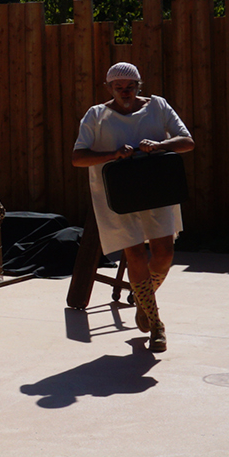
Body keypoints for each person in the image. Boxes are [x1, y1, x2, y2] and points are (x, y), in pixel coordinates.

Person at [70, 61, 194, 352]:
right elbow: (78, 157)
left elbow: (187, 141)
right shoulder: (96, 115)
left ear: (139, 85)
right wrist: (113, 154)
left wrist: (160, 146)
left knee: (164, 254)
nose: (125, 92)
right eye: (118, 87)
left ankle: (142, 298)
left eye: (130, 87)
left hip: (156, 189)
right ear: (109, 87)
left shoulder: (158, 106)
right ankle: (155, 323)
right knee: (135, 253)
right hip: (117, 195)